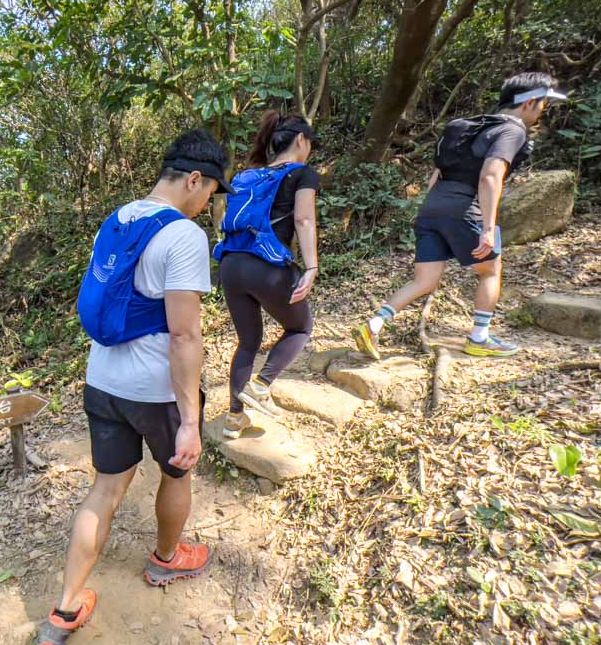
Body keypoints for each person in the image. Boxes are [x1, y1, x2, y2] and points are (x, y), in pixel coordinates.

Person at [36, 129, 233, 645]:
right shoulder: (184, 236)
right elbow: (185, 335)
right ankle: (167, 556)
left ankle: (67, 606)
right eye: (210, 192)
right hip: (154, 390)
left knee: (104, 489)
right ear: (194, 178)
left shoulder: (118, 217)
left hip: (102, 382)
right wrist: (190, 420)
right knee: (177, 471)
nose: (207, 204)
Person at [354, 72, 567, 360]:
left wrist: (435, 211)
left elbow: (435, 175)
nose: (542, 111)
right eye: (543, 104)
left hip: (433, 207)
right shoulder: (512, 131)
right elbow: (490, 177)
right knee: (490, 271)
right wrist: (488, 228)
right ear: (529, 102)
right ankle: (479, 337)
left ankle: (373, 325)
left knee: (424, 280)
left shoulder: (468, 127)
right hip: (466, 207)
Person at [214, 112, 321, 439]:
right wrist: (312, 266)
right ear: (301, 140)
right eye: (310, 144)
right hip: (267, 266)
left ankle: (235, 419)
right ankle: (261, 386)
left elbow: (223, 215)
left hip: (231, 265)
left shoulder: (247, 176)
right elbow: (304, 220)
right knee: (301, 328)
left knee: (248, 341)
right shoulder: (303, 173)